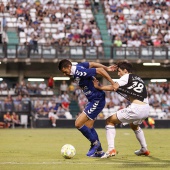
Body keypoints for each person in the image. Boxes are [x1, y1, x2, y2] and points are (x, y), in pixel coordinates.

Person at [58, 59, 116, 157]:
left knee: (78, 123)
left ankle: (95, 143)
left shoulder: (79, 71)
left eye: (65, 72)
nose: (65, 74)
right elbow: (92, 63)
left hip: (97, 99)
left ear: (68, 67)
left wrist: (112, 83)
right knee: (89, 126)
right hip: (93, 99)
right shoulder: (78, 66)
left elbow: (100, 70)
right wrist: (107, 67)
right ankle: (99, 151)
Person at [93, 61, 150, 158]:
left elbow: (113, 86)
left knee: (109, 120)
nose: (118, 74)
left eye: (119, 71)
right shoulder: (138, 78)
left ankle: (111, 149)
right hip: (146, 108)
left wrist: (99, 87)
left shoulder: (126, 77)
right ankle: (144, 148)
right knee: (134, 125)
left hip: (136, 108)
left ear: (125, 71)